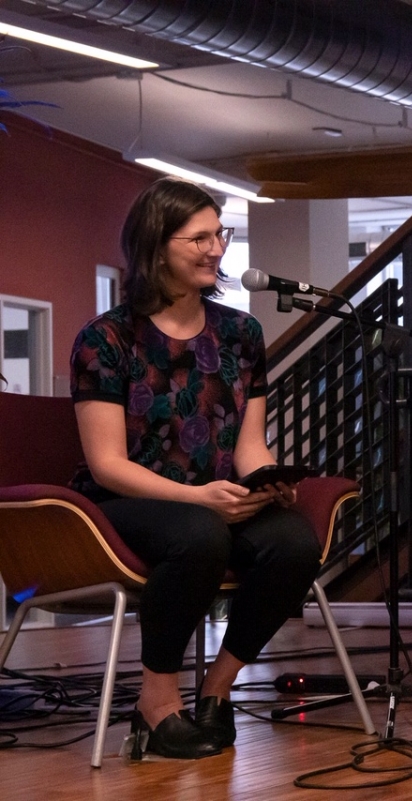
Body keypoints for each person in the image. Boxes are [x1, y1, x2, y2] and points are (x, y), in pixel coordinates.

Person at [70, 178, 322, 760]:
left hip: (215, 496)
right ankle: (156, 699)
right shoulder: (105, 338)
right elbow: (106, 465)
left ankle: (216, 690)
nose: (217, 249)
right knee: (200, 534)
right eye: (200, 237)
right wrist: (201, 499)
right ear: (157, 246)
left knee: (293, 543)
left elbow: (249, 446)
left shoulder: (241, 333)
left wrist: (267, 481)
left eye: (220, 234)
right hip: (130, 500)